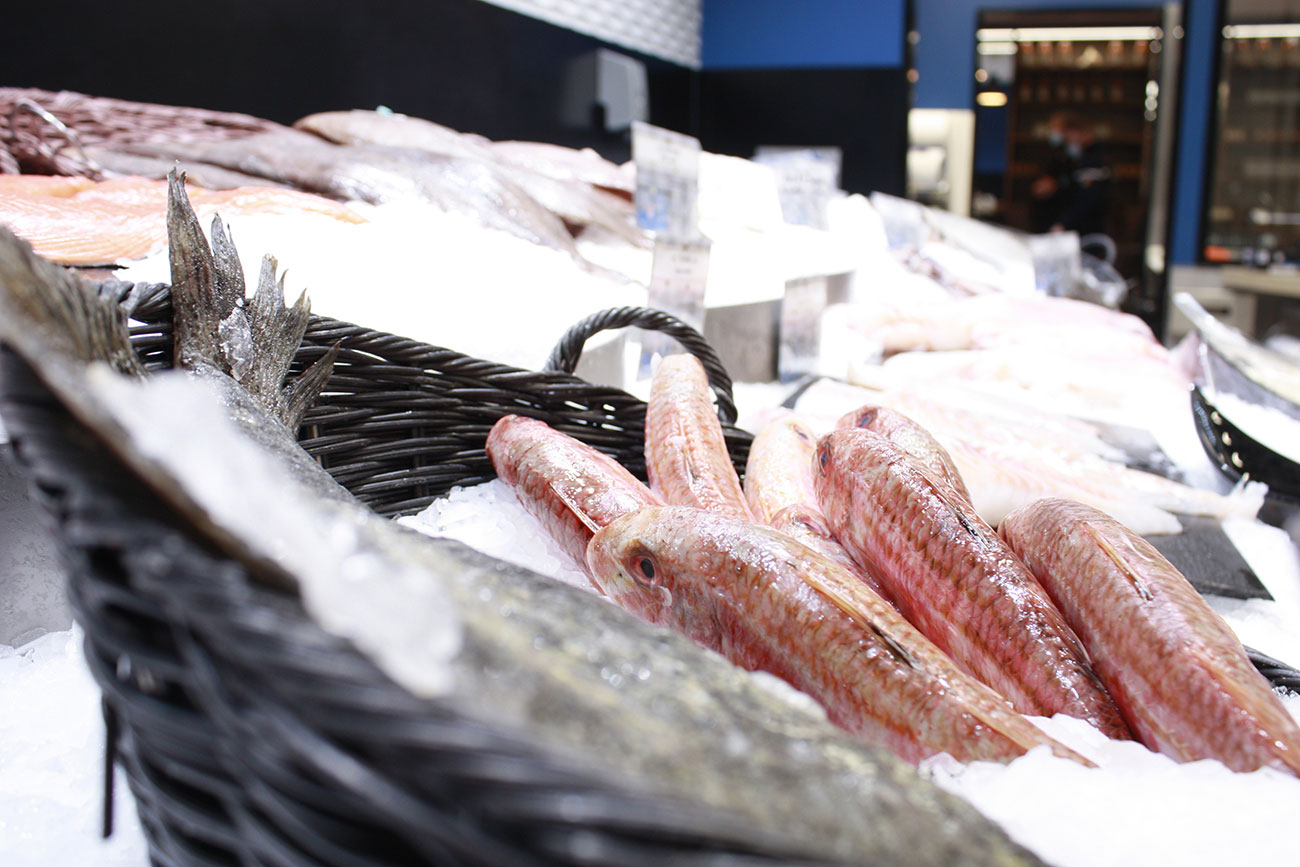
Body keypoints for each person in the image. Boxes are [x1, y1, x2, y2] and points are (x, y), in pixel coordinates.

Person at [1030, 111, 1110, 235]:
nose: (1066, 139)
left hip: (1084, 230)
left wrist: (1063, 223)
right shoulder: (1064, 158)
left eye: (1068, 134)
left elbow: (1088, 199)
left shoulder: (1095, 160)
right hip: (1061, 228)